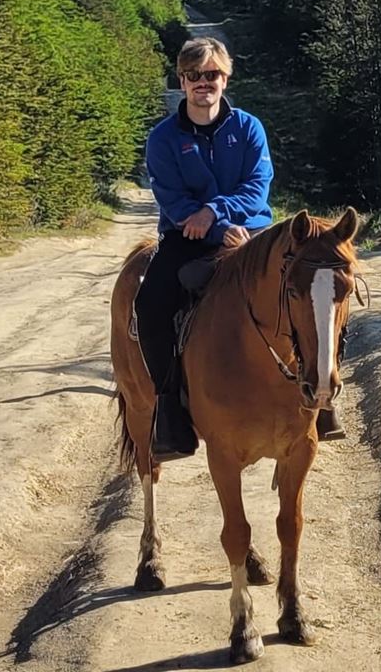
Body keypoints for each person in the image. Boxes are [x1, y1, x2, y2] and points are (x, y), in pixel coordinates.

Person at [139, 37, 274, 461]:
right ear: (181, 80)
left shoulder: (249, 128)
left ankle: (317, 399)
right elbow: (172, 199)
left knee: (312, 287)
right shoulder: (163, 138)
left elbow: (257, 187)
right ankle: (168, 408)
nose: (203, 82)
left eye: (212, 74)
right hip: (187, 236)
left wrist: (217, 213)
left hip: (250, 232)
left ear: (225, 78)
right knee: (149, 305)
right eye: (194, 75)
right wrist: (214, 227)